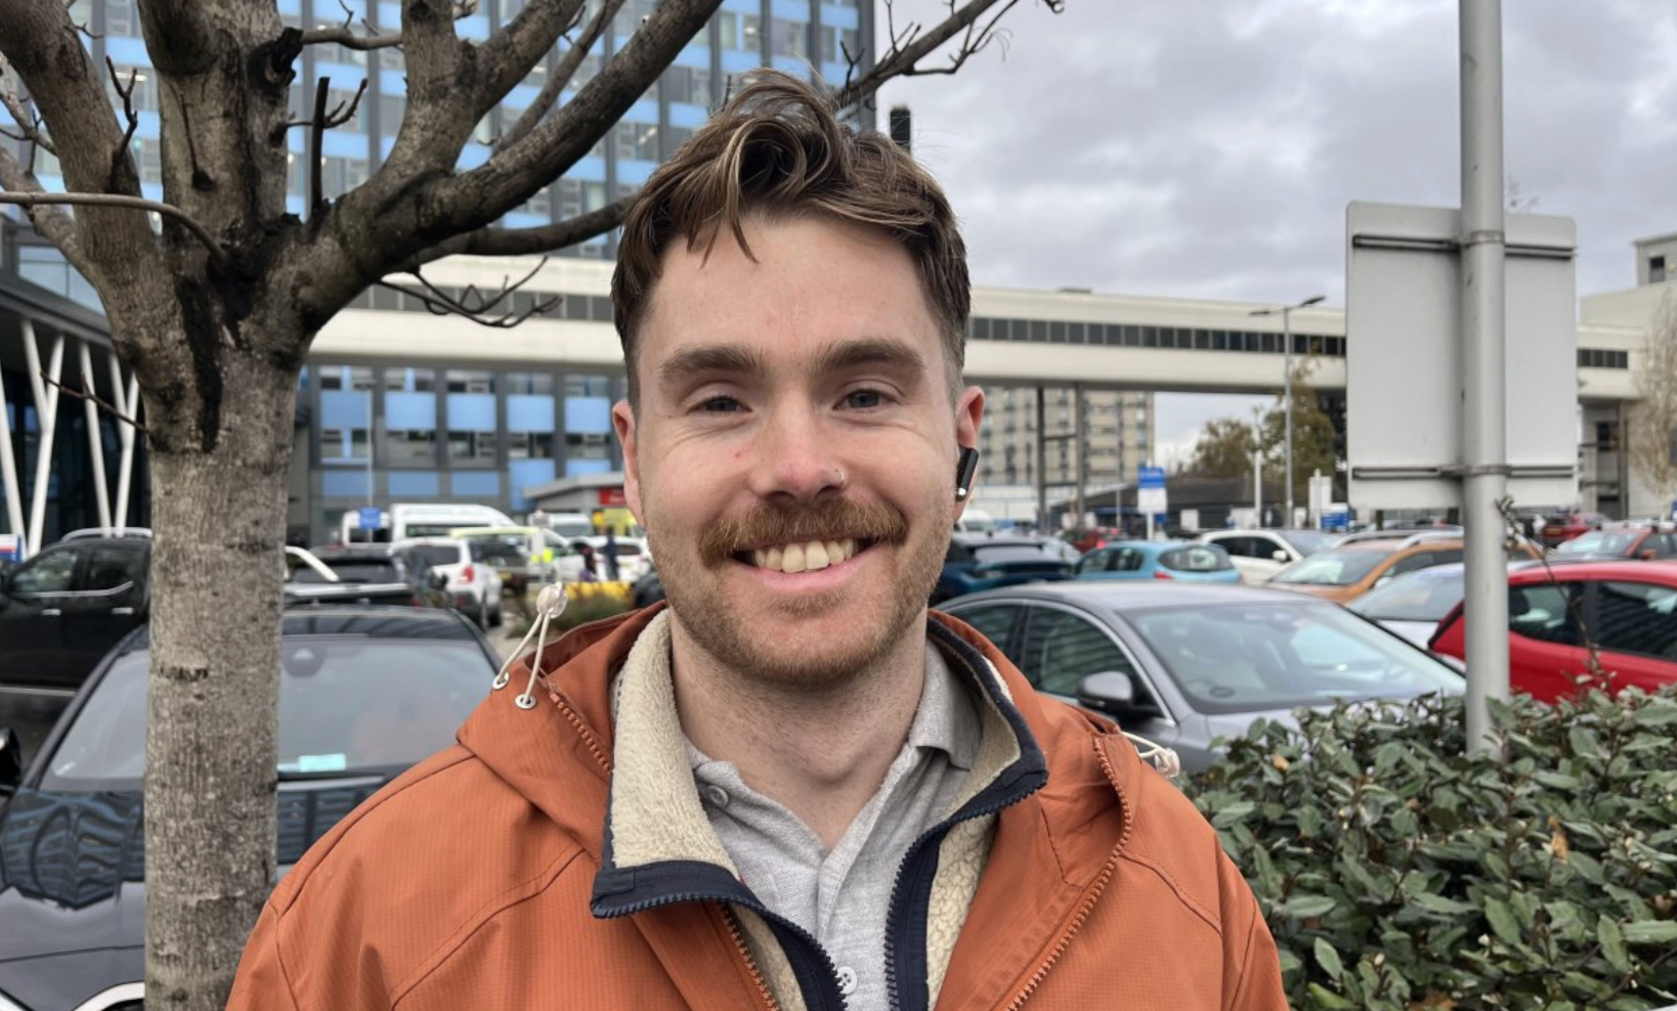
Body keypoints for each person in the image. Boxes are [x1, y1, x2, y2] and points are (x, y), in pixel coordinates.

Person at [228, 70, 1286, 1011]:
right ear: (635, 464)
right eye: (723, 400)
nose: (796, 465)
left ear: (961, 445)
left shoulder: (1174, 883)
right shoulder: (368, 932)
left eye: (864, 392)